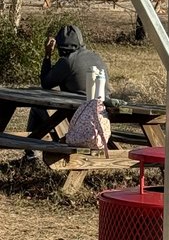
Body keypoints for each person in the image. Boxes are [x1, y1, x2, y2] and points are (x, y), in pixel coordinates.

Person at [25, 25, 110, 159]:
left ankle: (30, 151)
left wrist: (47, 54)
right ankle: (43, 142)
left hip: (80, 112)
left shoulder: (68, 61)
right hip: (103, 110)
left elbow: (46, 83)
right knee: (53, 114)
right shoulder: (95, 57)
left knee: (37, 108)